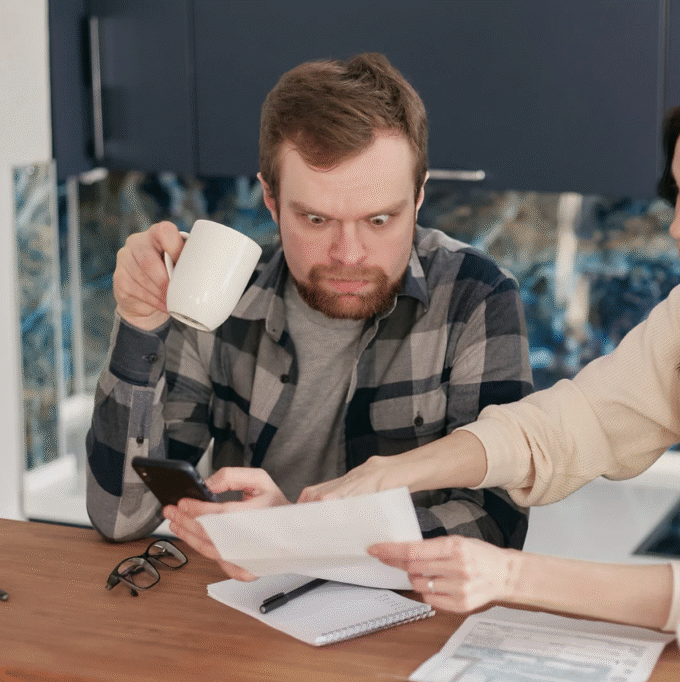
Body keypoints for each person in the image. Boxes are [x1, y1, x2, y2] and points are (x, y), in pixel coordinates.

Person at [167, 63, 680, 642]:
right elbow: (569, 426)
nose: (677, 227)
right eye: (679, 196)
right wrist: (393, 472)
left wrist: (509, 576)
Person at [85, 53, 534, 551]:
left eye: (379, 220)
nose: (349, 255)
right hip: (243, 589)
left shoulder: (475, 296)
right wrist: (139, 324)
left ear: (419, 196)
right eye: (317, 220)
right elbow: (121, 517)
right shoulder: (222, 293)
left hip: (408, 599)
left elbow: (496, 528)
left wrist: (303, 533)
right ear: (271, 200)